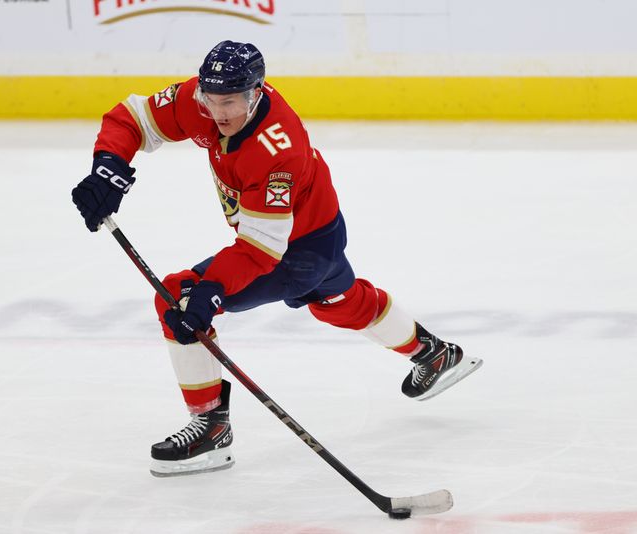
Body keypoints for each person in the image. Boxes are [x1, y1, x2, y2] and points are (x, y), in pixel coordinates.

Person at [72, 40, 482, 477]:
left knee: (178, 296)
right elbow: (133, 117)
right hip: (322, 227)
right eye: (211, 101)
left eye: (229, 102)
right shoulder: (205, 99)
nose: (219, 113)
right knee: (338, 303)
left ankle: (210, 427)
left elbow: (261, 248)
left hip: (296, 252)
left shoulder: (276, 150)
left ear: (256, 92)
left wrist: (211, 291)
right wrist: (107, 166)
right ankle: (433, 354)